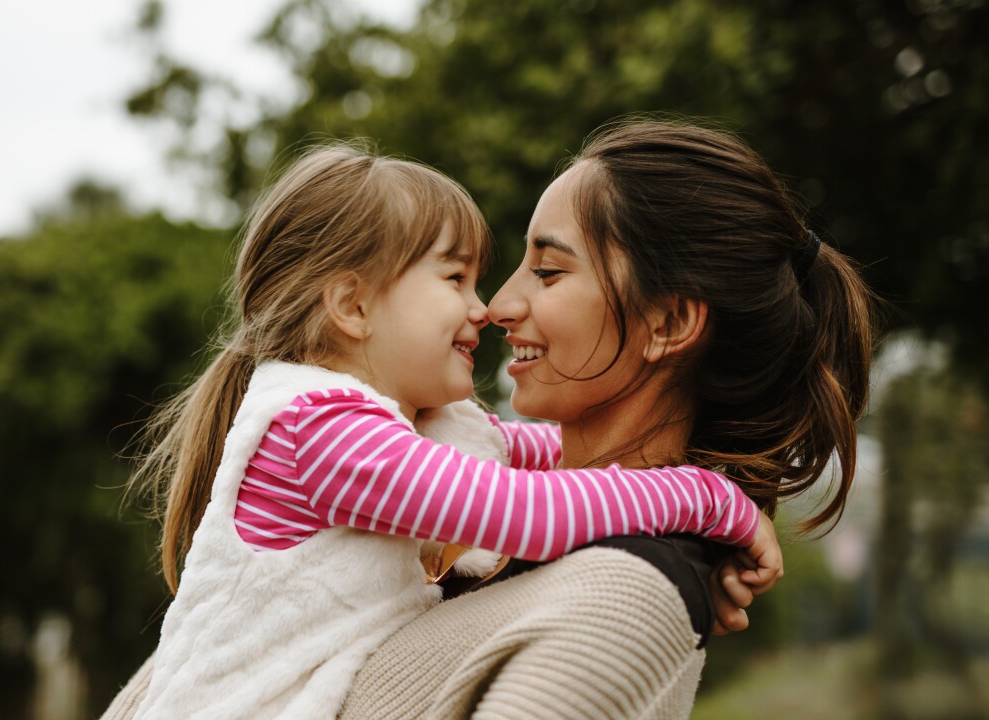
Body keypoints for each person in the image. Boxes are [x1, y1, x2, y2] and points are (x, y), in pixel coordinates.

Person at [106, 143, 780, 720]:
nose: (486, 309)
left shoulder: (406, 429)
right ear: (352, 305)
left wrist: (703, 533)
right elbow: (526, 511)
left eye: (544, 271)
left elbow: (540, 459)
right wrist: (708, 502)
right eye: (455, 278)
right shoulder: (325, 433)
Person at [334, 118, 878, 718]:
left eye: (548, 272)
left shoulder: (625, 598)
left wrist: (706, 507)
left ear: (668, 324)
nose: (497, 307)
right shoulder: (521, 540)